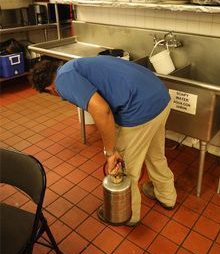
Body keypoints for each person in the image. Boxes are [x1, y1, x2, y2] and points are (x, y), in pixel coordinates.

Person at [31, 56, 177, 226]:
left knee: (126, 169)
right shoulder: (74, 65)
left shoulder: (62, 81)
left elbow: (102, 110)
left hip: (139, 109)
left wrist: (110, 151)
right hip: (159, 97)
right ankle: (167, 196)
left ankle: (127, 215)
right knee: (155, 154)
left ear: (50, 89)